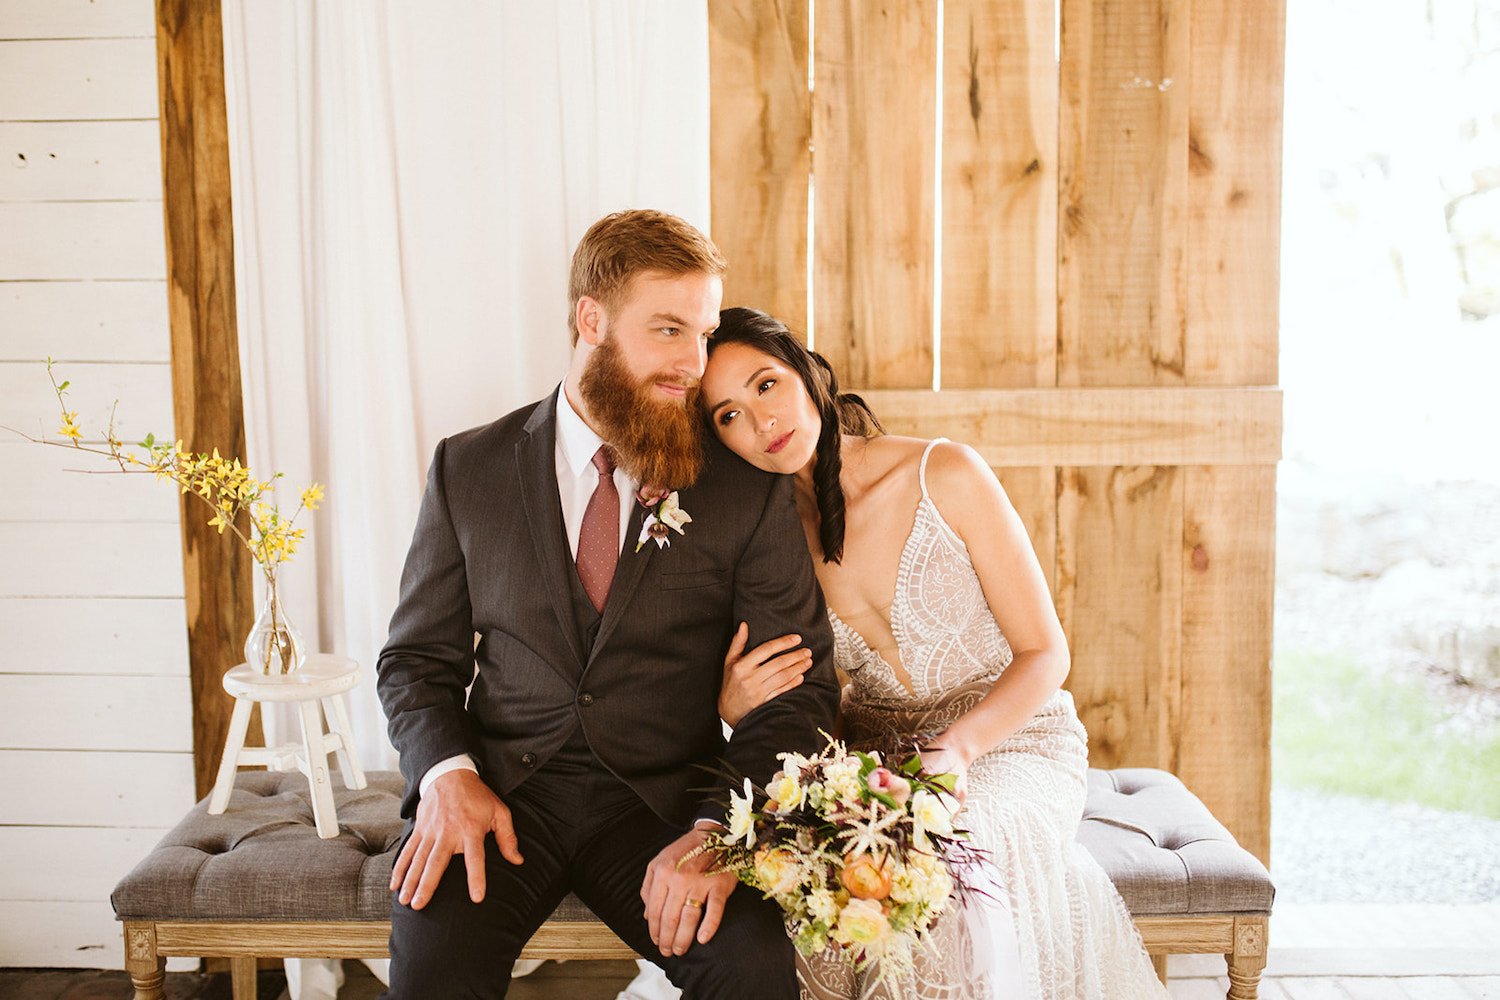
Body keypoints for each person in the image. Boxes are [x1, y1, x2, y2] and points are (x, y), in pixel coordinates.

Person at [374, 214, 841, 1000]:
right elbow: (416, 661)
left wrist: (713, 832)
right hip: (503, 799)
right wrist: (447, 776)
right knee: (433, 974)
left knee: (755, 965)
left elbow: (803, 695)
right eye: (669, 330)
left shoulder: (740, 487)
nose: (695, 364)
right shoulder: (470, 468)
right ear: (591, 319)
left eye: (704, 332)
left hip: (665, 806)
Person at [698, 307, 1171, 1000]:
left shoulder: (943, 473)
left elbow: (1045, 653)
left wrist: (959, 750)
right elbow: (804, 699)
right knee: (822, 875)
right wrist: (731, 709)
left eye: (765, 385)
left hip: (1011, 743)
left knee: (941, 848)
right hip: (874, 760)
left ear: (804, 372)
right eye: (728, 416)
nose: (761, 421)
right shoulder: (767, 544)